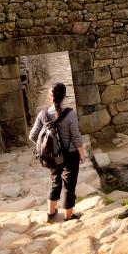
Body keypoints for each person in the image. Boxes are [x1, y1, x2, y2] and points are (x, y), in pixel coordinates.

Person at [29, 82, 87, 222]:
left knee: (55, 182)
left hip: (51, 156)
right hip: (70, 155)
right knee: (69, 185)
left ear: (50, 96)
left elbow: (32, 135)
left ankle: (51, 213)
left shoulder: (42, 114)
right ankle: (68, 216)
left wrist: (46, 146)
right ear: (64, 97)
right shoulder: (70, 114)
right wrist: (82, 153)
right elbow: (76, 136)